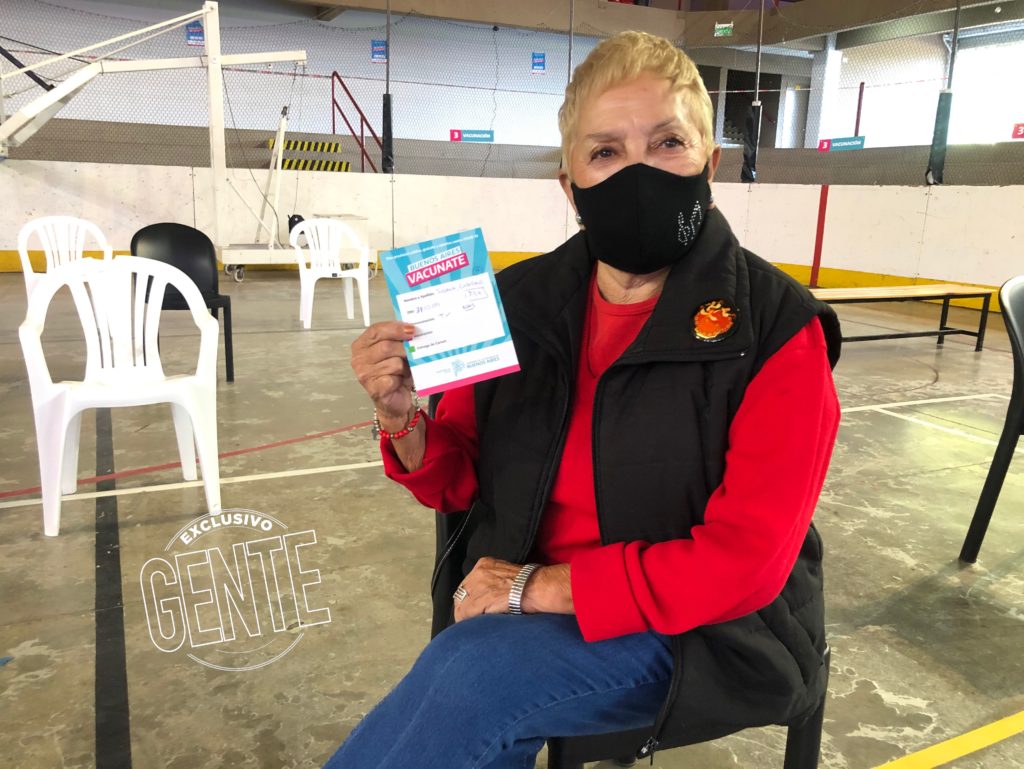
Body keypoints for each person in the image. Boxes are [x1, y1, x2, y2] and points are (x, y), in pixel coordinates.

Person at [328, 30, 841, 769]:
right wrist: (401, 417)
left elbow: (746, 563)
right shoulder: (515, 303)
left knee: (476, 676)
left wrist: (539, 588)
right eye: (605, 152)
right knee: (472, 679)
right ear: (569, 186)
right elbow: (460, 482)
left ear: (710, 163)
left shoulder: (776, 328)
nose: (638, 173)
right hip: (520, 608)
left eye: (667, 142)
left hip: (707, 631)